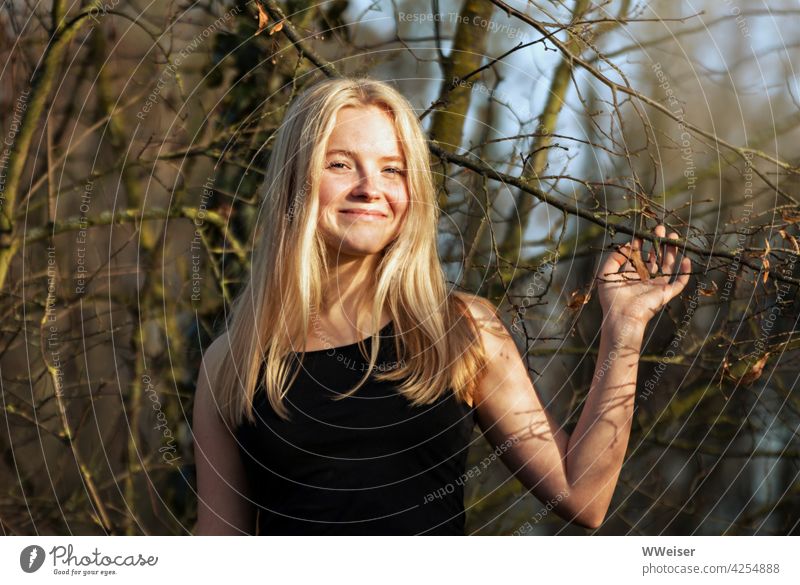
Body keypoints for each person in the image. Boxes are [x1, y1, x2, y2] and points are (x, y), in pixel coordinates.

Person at [192, 77, 692, 535]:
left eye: (393, 169)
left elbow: (584, 497)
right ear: (294, 183)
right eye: (340, 164)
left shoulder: (462, 329)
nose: (370, 188)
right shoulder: (233, 362)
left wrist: (623, 329)